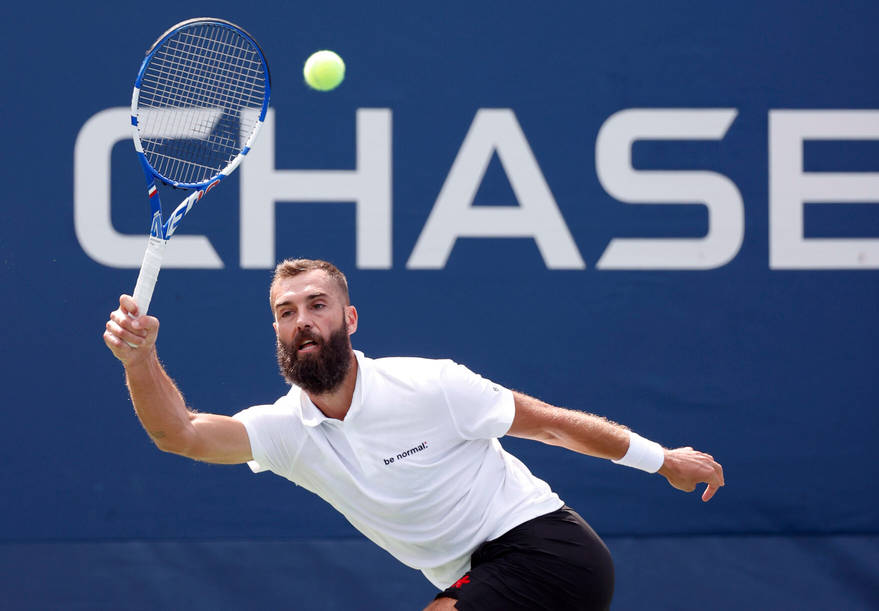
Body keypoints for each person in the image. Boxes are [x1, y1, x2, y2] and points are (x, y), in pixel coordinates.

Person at [104, 258, 724, 611]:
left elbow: (553, 425)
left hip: (549, 554)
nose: (302, 321)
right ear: (277, 333)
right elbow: (181, 434)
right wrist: (140, 360)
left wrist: (662, 460)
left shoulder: (431, 385)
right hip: (480, 576)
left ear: (349, 318)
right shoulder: (286, 431)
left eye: (317, 305)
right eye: (286, 313)